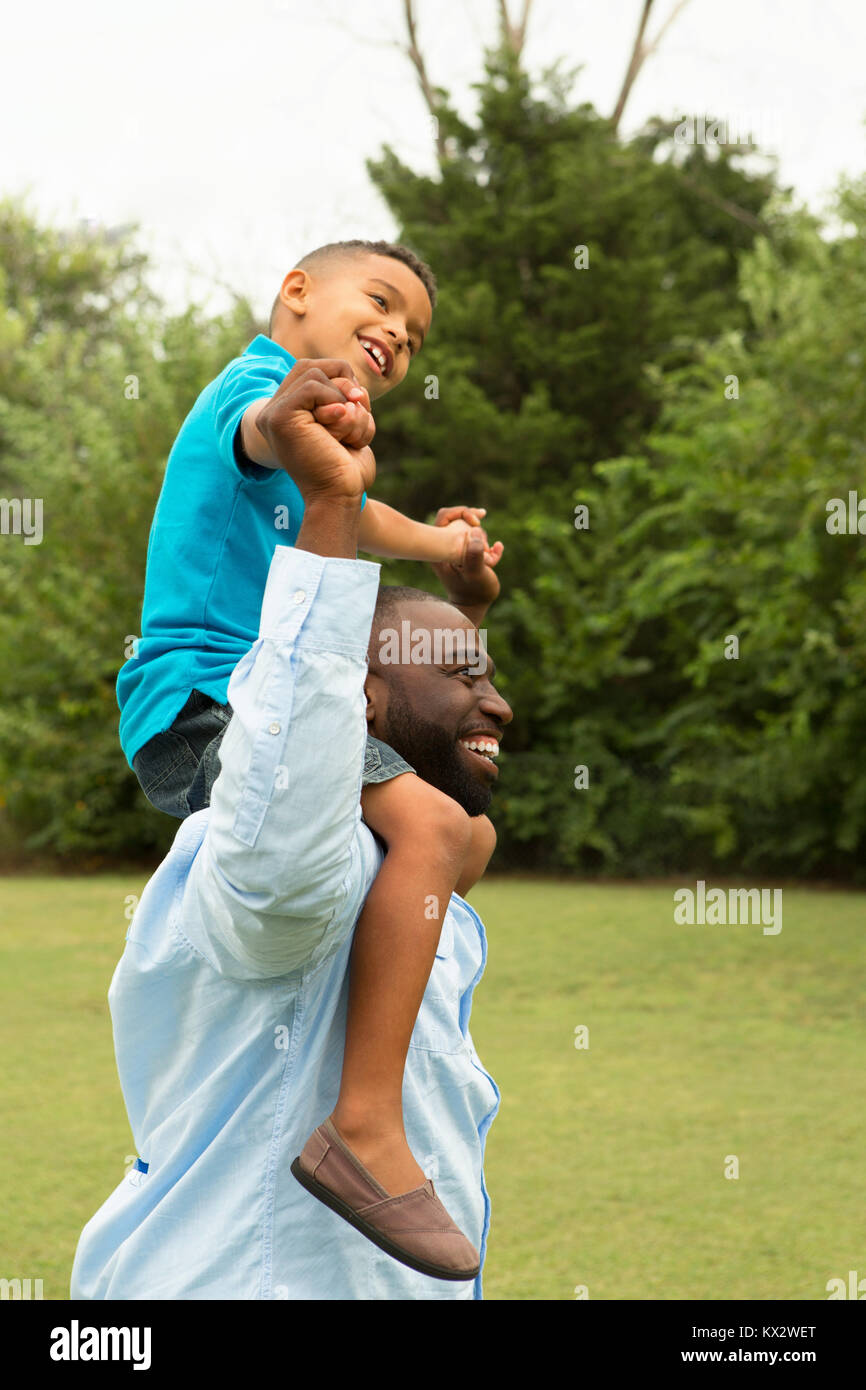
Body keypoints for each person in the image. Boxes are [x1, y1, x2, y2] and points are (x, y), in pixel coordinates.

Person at [115, 238, 505, 1274]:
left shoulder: (311, 436)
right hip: (206, 700)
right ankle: (364, 1121)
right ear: (294, 292)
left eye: (412, 335)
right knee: (428, 822)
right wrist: (293, 406)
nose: (395, 335)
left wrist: (446, 548)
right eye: (379, 302)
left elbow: (357, 514)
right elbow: (256, 433)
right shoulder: (249, 390)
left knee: (462, 833)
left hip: (264, 695)